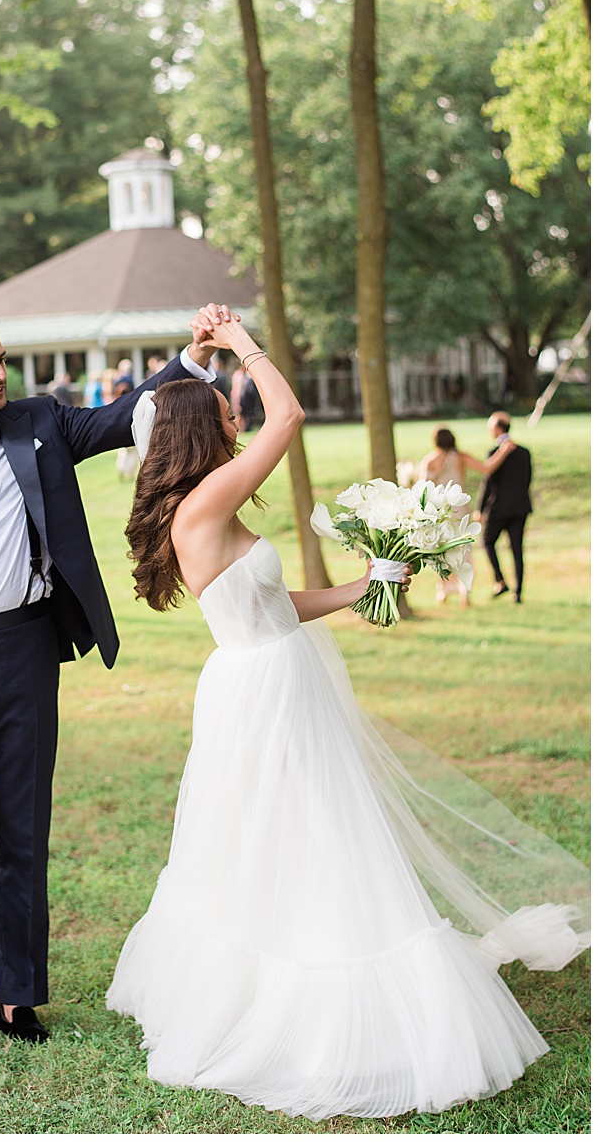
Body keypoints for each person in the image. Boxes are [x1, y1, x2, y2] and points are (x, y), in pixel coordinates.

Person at [108, 313, 588, 1119]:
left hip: (263, 673)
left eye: (238, 403)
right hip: (265, 690)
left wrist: (364, 590)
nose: (241, 415)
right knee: (312, 829)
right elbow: (289, 417)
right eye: (228, 409)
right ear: (200, 429)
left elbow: (272, 603)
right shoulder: (202, 500)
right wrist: (245, 345)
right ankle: (317, 999)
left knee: (295, 832)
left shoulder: (206, 508)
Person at [0, 304, 228, 1060]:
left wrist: (189, 361)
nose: (0, 374)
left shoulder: (42, 424)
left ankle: (19, 1000)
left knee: (23, 838)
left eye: (2, 360)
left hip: (26, 653)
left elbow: (125, 413)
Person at [419, 427, 485, 605]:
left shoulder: (429, 460)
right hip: (460, 508)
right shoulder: (461, 457)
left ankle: (444, 589)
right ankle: (465, 589)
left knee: (441, 549)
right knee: (463, 547)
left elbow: (424, 490)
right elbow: (485, 468)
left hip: (441, 510)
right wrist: (503, 451)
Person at [477, 412, 532, 603]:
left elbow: (488, 483)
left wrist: (480, 508)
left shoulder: (494, 453)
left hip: (499, 508)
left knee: (487, 541)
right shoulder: (524, 452)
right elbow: (527, 480)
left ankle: (500, 580)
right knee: (517, 549)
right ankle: (518, 592)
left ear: (497, 429)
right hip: (520, 506)